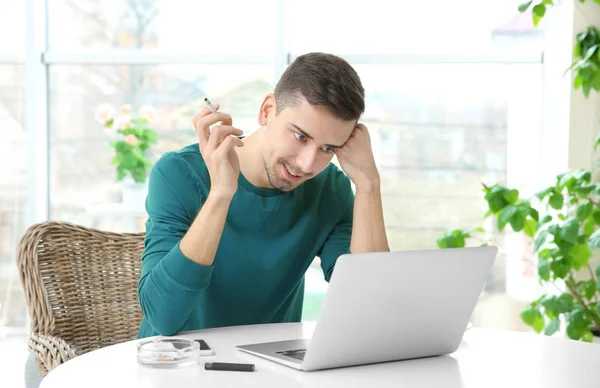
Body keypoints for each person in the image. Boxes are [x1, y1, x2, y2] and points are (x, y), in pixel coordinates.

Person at [137, 52, 390, 338]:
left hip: (269, 370)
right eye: (300, 136)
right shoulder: (178, 174)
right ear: (267, 110)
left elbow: (371, 308)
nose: (307, 164)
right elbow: (163, 316)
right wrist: (221, 193)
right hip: (174, 367)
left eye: (328, 148)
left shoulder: (331, 190)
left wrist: (369, 185)